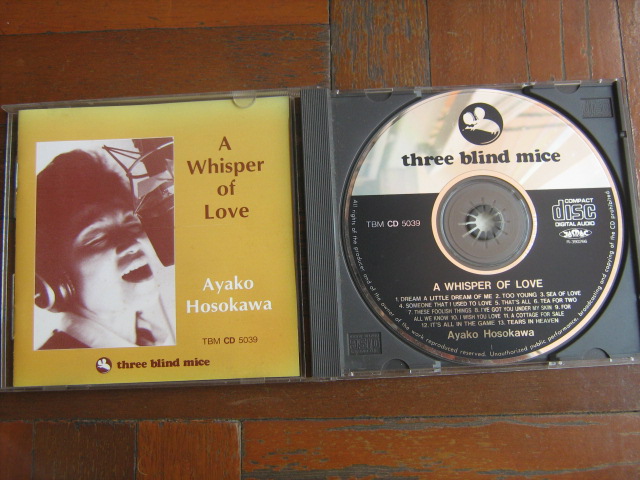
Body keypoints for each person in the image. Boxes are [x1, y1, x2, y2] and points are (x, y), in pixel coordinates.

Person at [35, 149, 175, 349]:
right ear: (58, 278)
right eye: (97, 237)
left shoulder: (154, 339)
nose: (132, 243)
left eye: (132, 225)